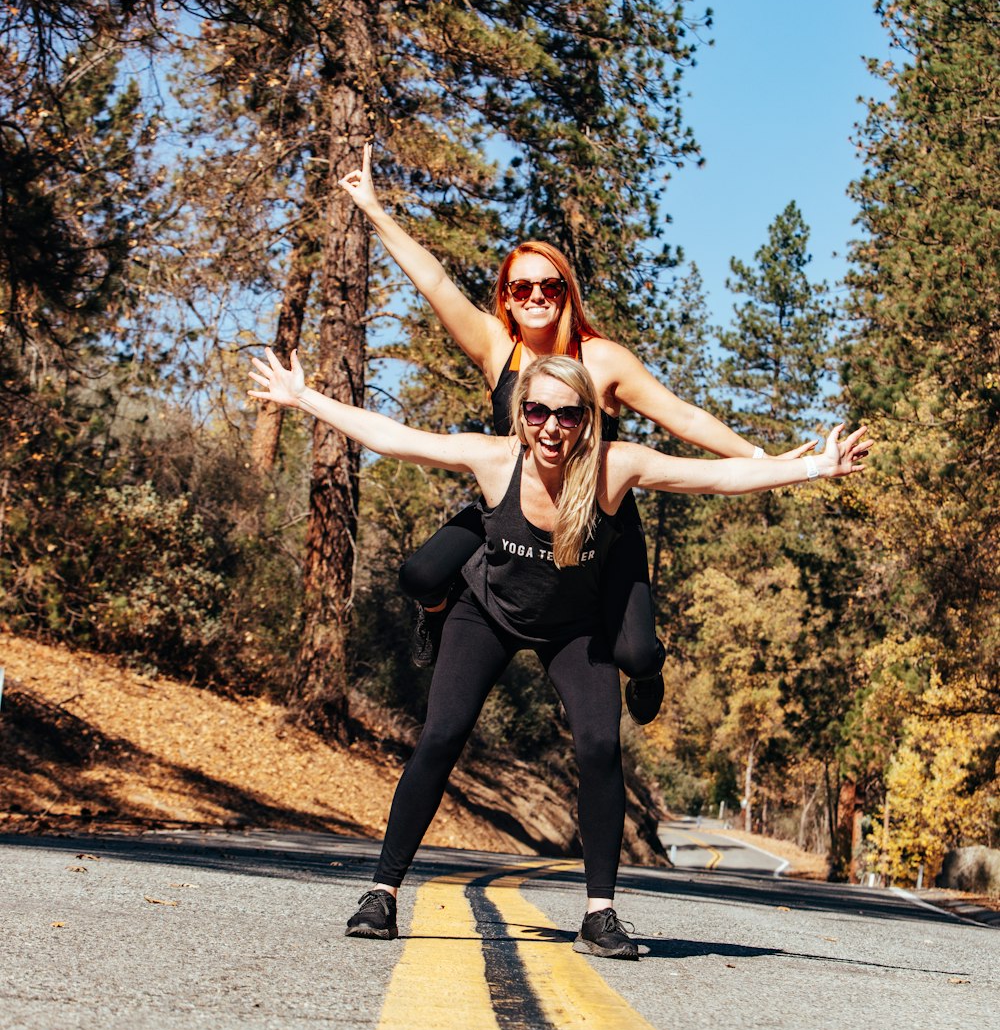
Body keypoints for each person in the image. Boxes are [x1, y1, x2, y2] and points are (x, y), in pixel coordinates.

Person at [249, 344, 869, 960]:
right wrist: (302, 397)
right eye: (540, 411)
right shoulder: (495, 461)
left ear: (586, 420)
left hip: (575, 629)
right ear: (521, 414)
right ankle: (381, 893)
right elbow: (394, 437)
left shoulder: (612, 468)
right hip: (485, 615)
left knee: (600, 747)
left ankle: (600, 914)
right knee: (441, 736)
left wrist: (819, 467)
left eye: (568, 414)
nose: (552, 426)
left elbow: (719, 477)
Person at [337, 145, 810, 726]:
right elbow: (433, 279)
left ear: (566, 293)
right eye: (521, 288)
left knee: (634, 652)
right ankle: (439, 612)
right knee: (419, 574)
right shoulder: (496, 347)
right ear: (506, 297)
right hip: (514, 504)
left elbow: (681, 418)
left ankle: (647, 669)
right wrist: (375, 210)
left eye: (549, 287)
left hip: (599, 518)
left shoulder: (602, 360)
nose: (535, 297)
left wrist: (762, 458)